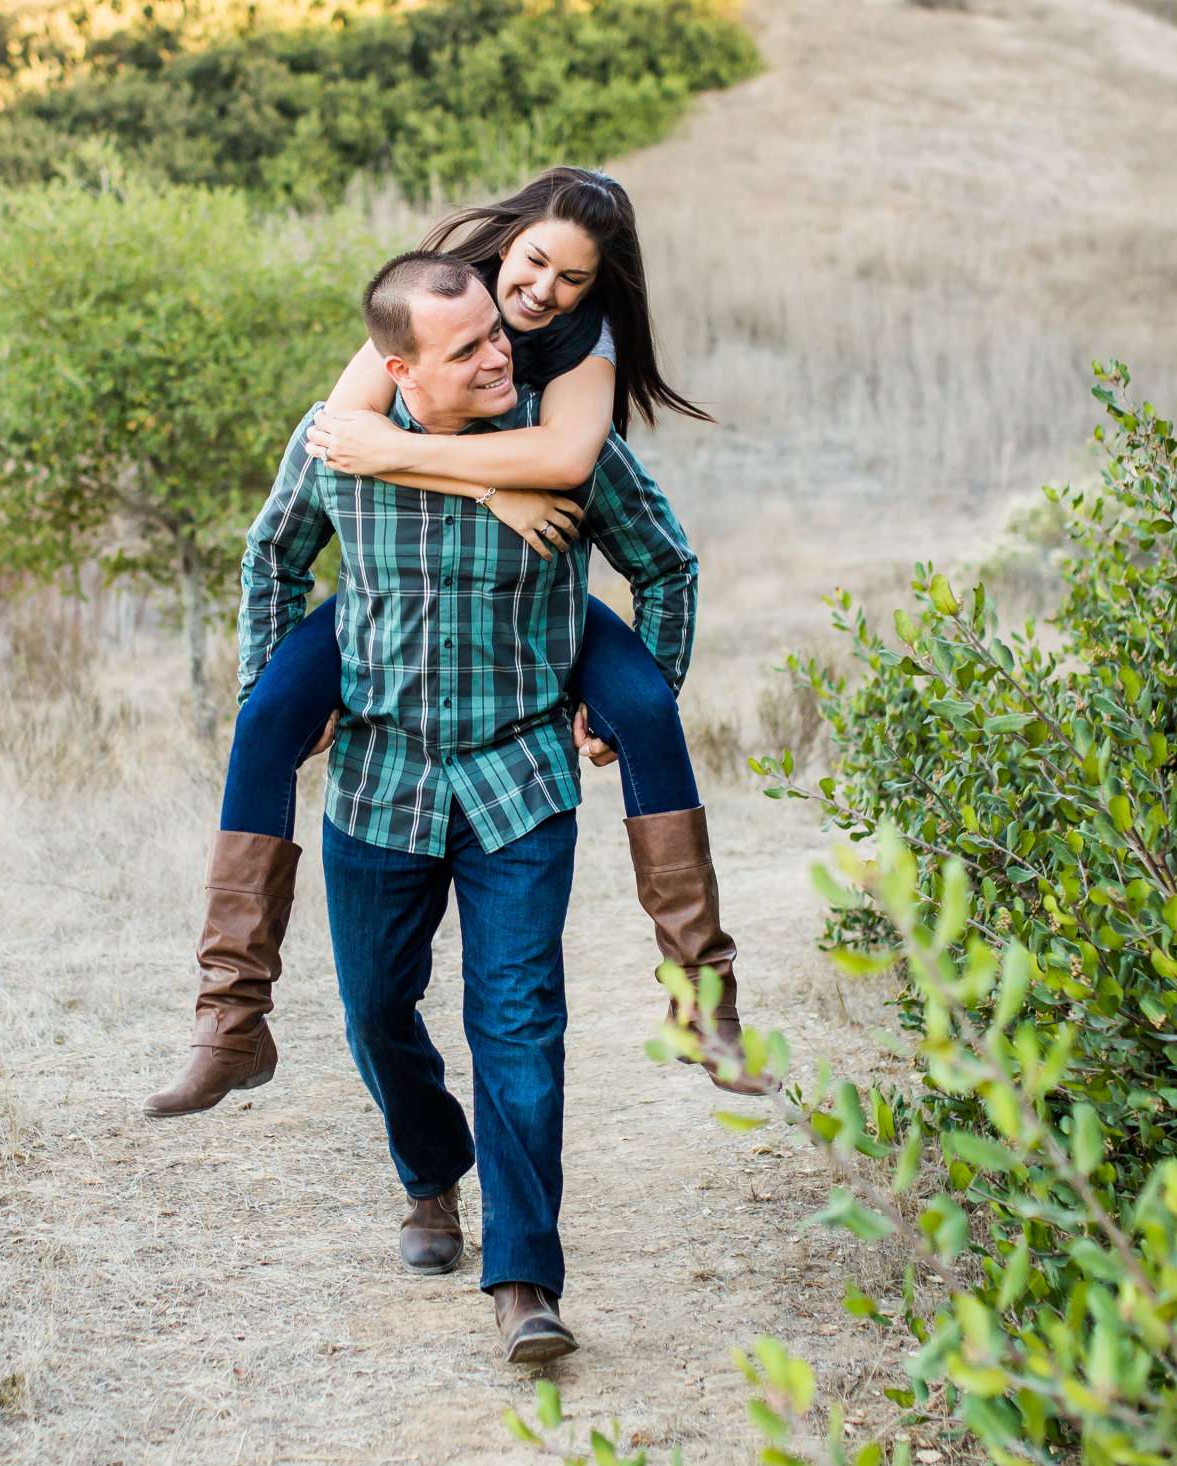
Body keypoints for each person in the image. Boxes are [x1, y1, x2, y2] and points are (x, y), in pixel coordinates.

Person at [144, 167, 761, 1124]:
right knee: (266, 712)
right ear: (505, 242)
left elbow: (563, 463)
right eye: (535, 260)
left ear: (597, 289)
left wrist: (461, 473)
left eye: (574, 278)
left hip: (530, 597)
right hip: (391, 593)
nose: (542, 290)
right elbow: (348, 433)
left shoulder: (581, 347)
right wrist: (484, 487)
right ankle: (230, 1020)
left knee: (642, 706)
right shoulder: (441, 294)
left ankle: (703, 1001)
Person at [227, 251, 698, 1361]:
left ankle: (524, 1276)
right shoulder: (341, 443)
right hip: (380, 783)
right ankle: (431, 1174)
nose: (502, 353)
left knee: (521, 1024)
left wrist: (633, 698)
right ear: (400, 368)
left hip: (518, 780)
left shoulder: (563, 447)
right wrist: (283, 693)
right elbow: (269, 559)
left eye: (500, 330)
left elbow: (666, 565)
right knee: (377, 1014)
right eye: (470, 346)